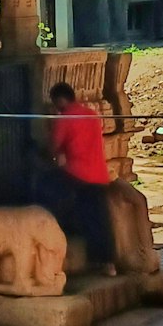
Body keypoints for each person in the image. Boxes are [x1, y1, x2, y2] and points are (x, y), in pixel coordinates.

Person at [43, 80, 116, 271]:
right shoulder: (91, 114)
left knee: (50, 193)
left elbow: (53, 147)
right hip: (99, 174)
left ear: (59, 100)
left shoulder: (64, 118)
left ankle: (62, 236)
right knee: (100, 218)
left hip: (78, 175)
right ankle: (107, 262)